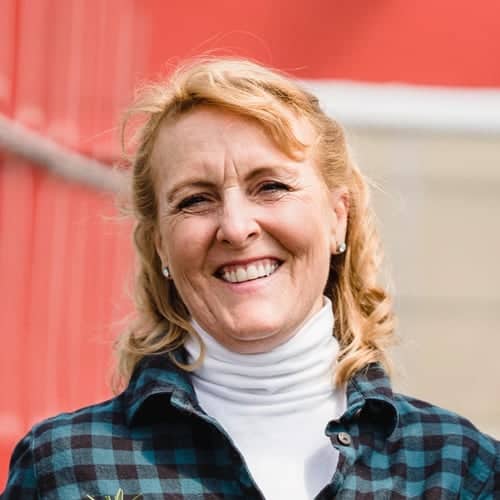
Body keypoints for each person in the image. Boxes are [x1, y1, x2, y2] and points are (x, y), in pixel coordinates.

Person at [2, 58, 499, 500]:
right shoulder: (66, 471)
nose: (237, 228)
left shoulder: (459, 471)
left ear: (337, 217)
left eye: (271, 187)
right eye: (195, 200)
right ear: (161, 246)